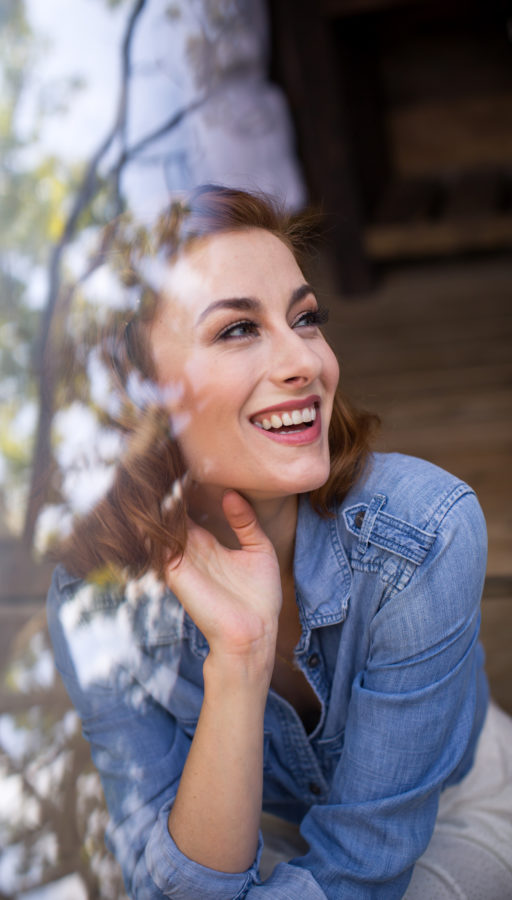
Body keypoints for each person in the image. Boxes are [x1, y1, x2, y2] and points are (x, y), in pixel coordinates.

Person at [47, 185, 512, 899]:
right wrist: (238, 659)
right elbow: (162, 881)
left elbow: (364, 867)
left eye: (305, 319)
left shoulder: (422, 532)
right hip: (267, 829)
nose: (306, 361)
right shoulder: (93, 606)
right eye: (238, 329)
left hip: (454, 807)